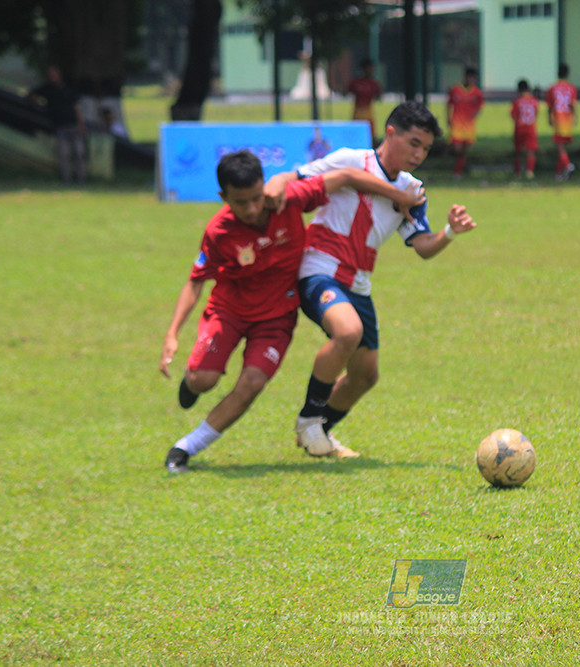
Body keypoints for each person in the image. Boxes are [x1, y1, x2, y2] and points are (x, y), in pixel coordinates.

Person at [159, 150, 425, 473]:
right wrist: (172, 334)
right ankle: (192, 382)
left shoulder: (287, 199)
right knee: (203, 380)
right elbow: (196, 282)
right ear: (223, 197)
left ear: (264, 186)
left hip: (275, 319)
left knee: (253, 382)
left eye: (257, 197)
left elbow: (343, 177)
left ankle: (185, 447)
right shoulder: (219, 231)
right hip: (229, 312)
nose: (253, 209)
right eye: (241, 202)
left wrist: (401, 196)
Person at [264, 101, 477, 459]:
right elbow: (296, 178)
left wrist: (449, 233)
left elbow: (422, 246)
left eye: (426, 148)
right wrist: (271, 188)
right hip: (319, 269)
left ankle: (319, 435)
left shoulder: (414, 190)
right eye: (413, 143)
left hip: (358, 282)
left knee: (365, 376)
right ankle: (308, 420)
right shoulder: (350, 160)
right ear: (390, 132)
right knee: (348, 332)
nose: (419, 154)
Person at [28, 65, 87, 185]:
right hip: (59, 125)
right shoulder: (47, 88)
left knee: (79, 152)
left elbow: (77, 107)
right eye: (50, 74)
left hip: (73, 124)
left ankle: (81, 179)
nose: (53, 76)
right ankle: (67, 180)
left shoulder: (70, 87)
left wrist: (81, 123)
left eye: (54, 73)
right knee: (64, 154)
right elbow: (32, 95)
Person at [446, 66, 485, 179]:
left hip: (469, 126)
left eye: (474, 78)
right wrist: (448, 118)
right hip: (457, 124)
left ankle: (458, 172)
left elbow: (480, 106)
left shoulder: (477, 93)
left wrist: (476, 113)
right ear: (465, 77)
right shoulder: (455, 90)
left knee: (463, 150)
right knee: (456, 148)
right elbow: (449, 104)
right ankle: (453, 162)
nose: (472, 80)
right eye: (470, 77)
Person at [546, 63, 578, 182]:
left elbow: (550, 106)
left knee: (560, 148)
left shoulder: (552, 88)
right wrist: (575, 118)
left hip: (558, 119)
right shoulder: (571, 88)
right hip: (568, 120)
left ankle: (568, 165)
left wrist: (549, 118)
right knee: (562, 148)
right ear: (568, 74)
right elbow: (573, 105)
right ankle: (559, 174)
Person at [511, 78, 540, 179]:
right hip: (531, 127)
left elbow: (514, 115)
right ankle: (530, 171)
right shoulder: (534, 101)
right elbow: (536, 113)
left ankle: (517, 172)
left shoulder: (517, 101)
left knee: (518, 152)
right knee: (531, 151)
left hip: (519, 128)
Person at [347, 59, 382, 143]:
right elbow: (347, 92)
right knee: (356, 134)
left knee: (370, 135)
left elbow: (379, 97)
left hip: (368, 112)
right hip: (357, 112)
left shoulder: (374, 84)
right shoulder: (356, 82)